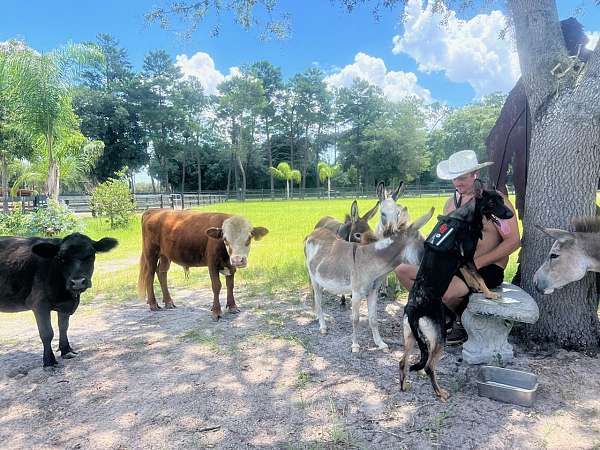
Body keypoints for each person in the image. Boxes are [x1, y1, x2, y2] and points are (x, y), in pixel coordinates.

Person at [395, 150, 521, 344]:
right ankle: (444, 315)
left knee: (446, 291)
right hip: (457, 265)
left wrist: (476, 263)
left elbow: (513, 241)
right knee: (403, 271)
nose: (458, 183)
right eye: (454, 178)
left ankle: (459, 322)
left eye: (462, 178)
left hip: (487, 267)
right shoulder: (451, 204)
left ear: (475, 175)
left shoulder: (495, 200)